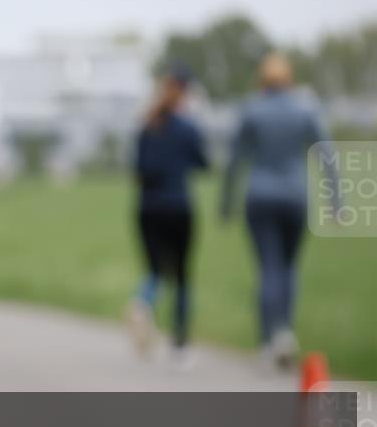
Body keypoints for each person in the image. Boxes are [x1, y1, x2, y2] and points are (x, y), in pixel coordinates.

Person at [221, 53, 339, 371]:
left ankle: (267, 341)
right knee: (288, 267)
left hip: (260, 196)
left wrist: (226, 204)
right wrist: (336, 202)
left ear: (262, 81)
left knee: (268, 268)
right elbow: (327, 154)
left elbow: (235, 160)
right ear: (290, 80)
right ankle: (285, 332)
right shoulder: (305, 109)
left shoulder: (252, 110)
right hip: (295, 196)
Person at [128, 67, 208, 369]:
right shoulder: (187, 128)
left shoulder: (147, 126)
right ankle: (180, 343)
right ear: (184, 93)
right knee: (182, 275)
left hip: (147, 208)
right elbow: (203, 162)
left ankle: (142, 302)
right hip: (178, 206)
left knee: (155, 270)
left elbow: (138, 170)